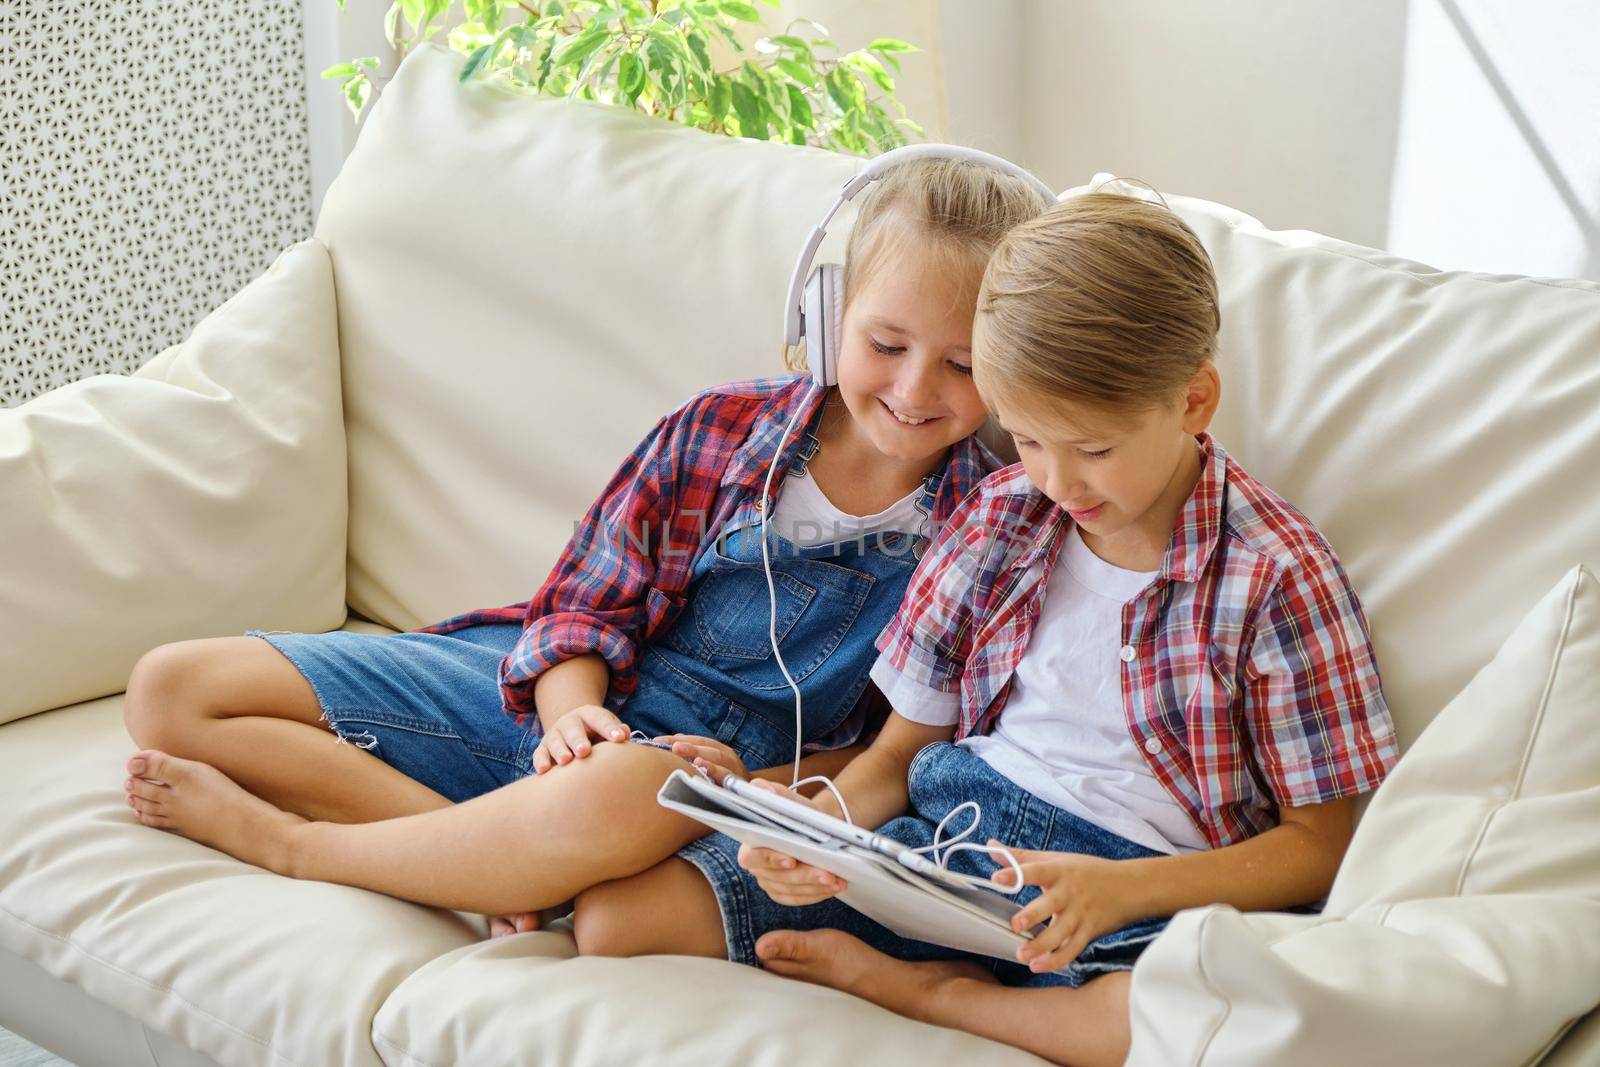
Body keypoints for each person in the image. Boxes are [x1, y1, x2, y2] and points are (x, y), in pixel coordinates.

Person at [569, 189, 1401, 1067]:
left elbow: (1321, 844)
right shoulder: (1002, 514)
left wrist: (1121, 891)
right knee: (622, 920)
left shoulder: (1276, 573)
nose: (1058, 481)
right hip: (949, 838)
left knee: (1166, 1020)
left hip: (1142, 887)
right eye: (1029, 439)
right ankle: (949, 974)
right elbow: (896, 755)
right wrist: (816, 830)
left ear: (1195, 400)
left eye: (1094, 447)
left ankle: (939, 997)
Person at [118, 155, 1051, 935]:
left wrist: (753, 784)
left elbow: (916, 751)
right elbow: (579, 604)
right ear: (824, 312)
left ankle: (298, 845)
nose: (915, 385)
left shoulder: (990, 527)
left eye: (963, 363)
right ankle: (486, 858)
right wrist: (571, 713)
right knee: (171, 690)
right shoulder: (723, 427)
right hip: (563, 709)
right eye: (885, 342)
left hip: (685, 783)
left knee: (627, 788)